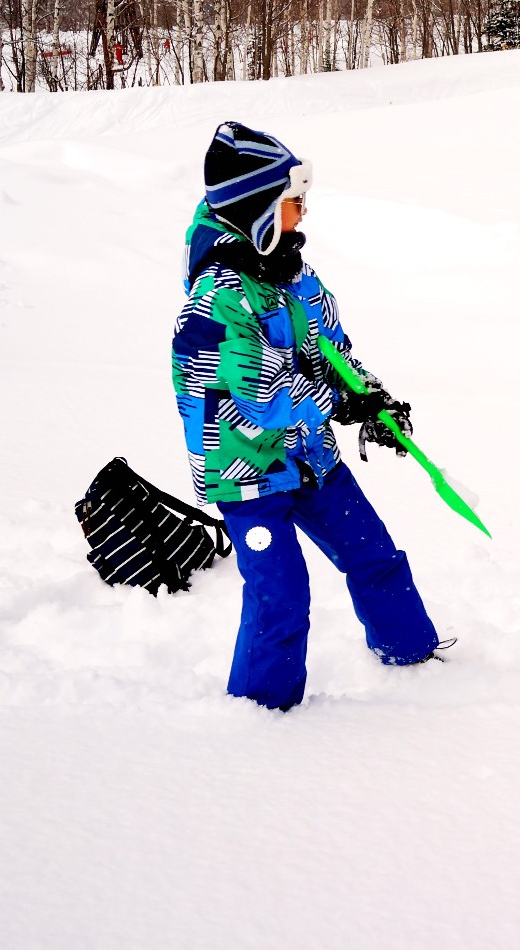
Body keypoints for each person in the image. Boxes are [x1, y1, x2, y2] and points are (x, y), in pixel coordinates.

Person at [171, 121, 442, 711]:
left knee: (374, 555)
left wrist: (370, 396)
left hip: (312, 458)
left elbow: (332, 353)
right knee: (281, 596)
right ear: (258, 209)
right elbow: (262, 394)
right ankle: (261, 710)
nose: (302, 216)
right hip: (249, 477)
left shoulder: (294, 274)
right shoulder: (218, 298)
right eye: (293, 203)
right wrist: (342, 404)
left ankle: (415, 660)